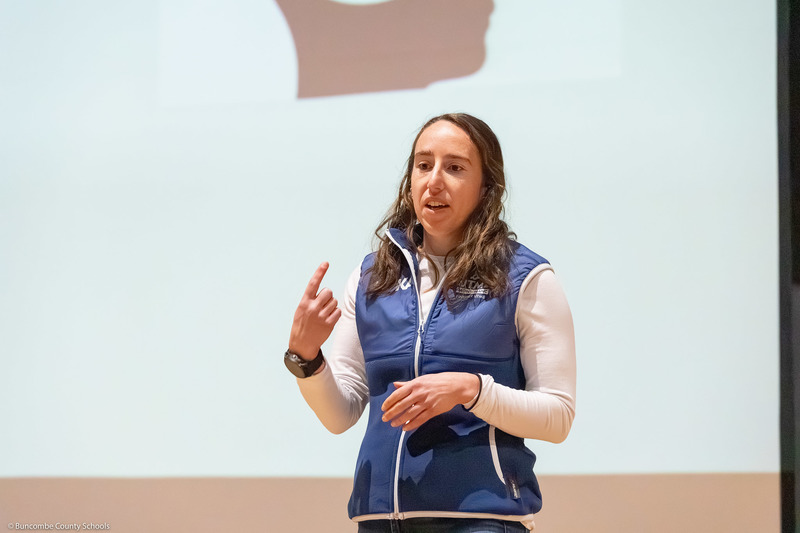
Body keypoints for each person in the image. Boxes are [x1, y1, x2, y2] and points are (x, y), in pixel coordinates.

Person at [284, 113, 576, 532]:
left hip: (481, 521)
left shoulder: (526, 278)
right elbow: (340, 414)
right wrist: (307, 358)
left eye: (454, 167)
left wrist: (471, 390)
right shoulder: (371, 278)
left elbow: (558, 416)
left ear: (487, 188)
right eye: (423, 165)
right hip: (379, 521)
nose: (434, 180)